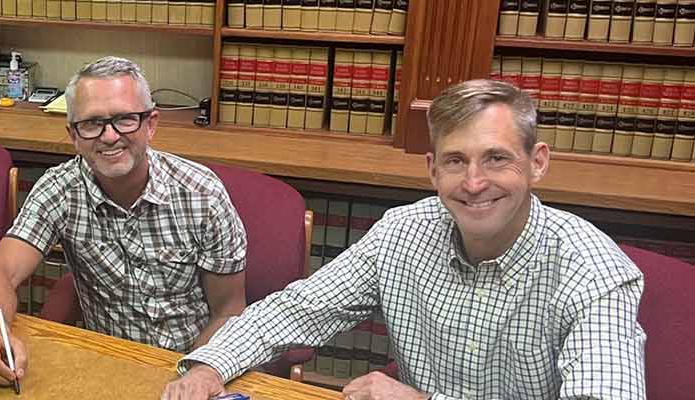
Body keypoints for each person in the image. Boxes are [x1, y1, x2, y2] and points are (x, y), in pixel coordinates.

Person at [162, 79, 646, 400]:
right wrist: (210, 365)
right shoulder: (404, 232)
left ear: (538, 162)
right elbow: (298, 310)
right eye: (456, 161)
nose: (474, 182)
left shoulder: (591, 269)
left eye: (497, 159)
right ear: (433, 170)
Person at [0, 56, 250, 388]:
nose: (109, 136)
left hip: (192, 363)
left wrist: (194, 375)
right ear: (73, 136)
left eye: (125, 120)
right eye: (91, 123)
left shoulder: (203, 195)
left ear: (151, 124)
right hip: (105, 367)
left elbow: (229, 311)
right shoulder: (59, 190)